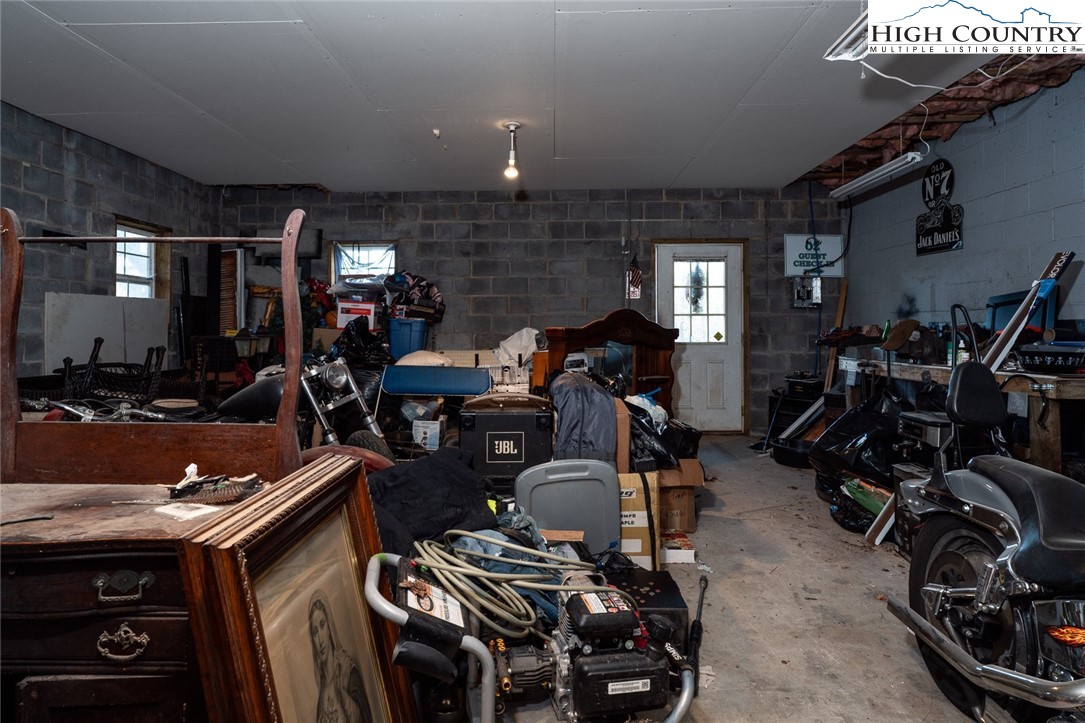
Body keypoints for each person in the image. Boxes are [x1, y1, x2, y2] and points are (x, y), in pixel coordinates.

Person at [308, 590, 371, 723]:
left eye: (322, 625)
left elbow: (365, 716)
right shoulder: (322, 693)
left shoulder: (347, 671)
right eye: (314, 632)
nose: (320, 639)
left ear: (329, 627)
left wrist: (343, 696)